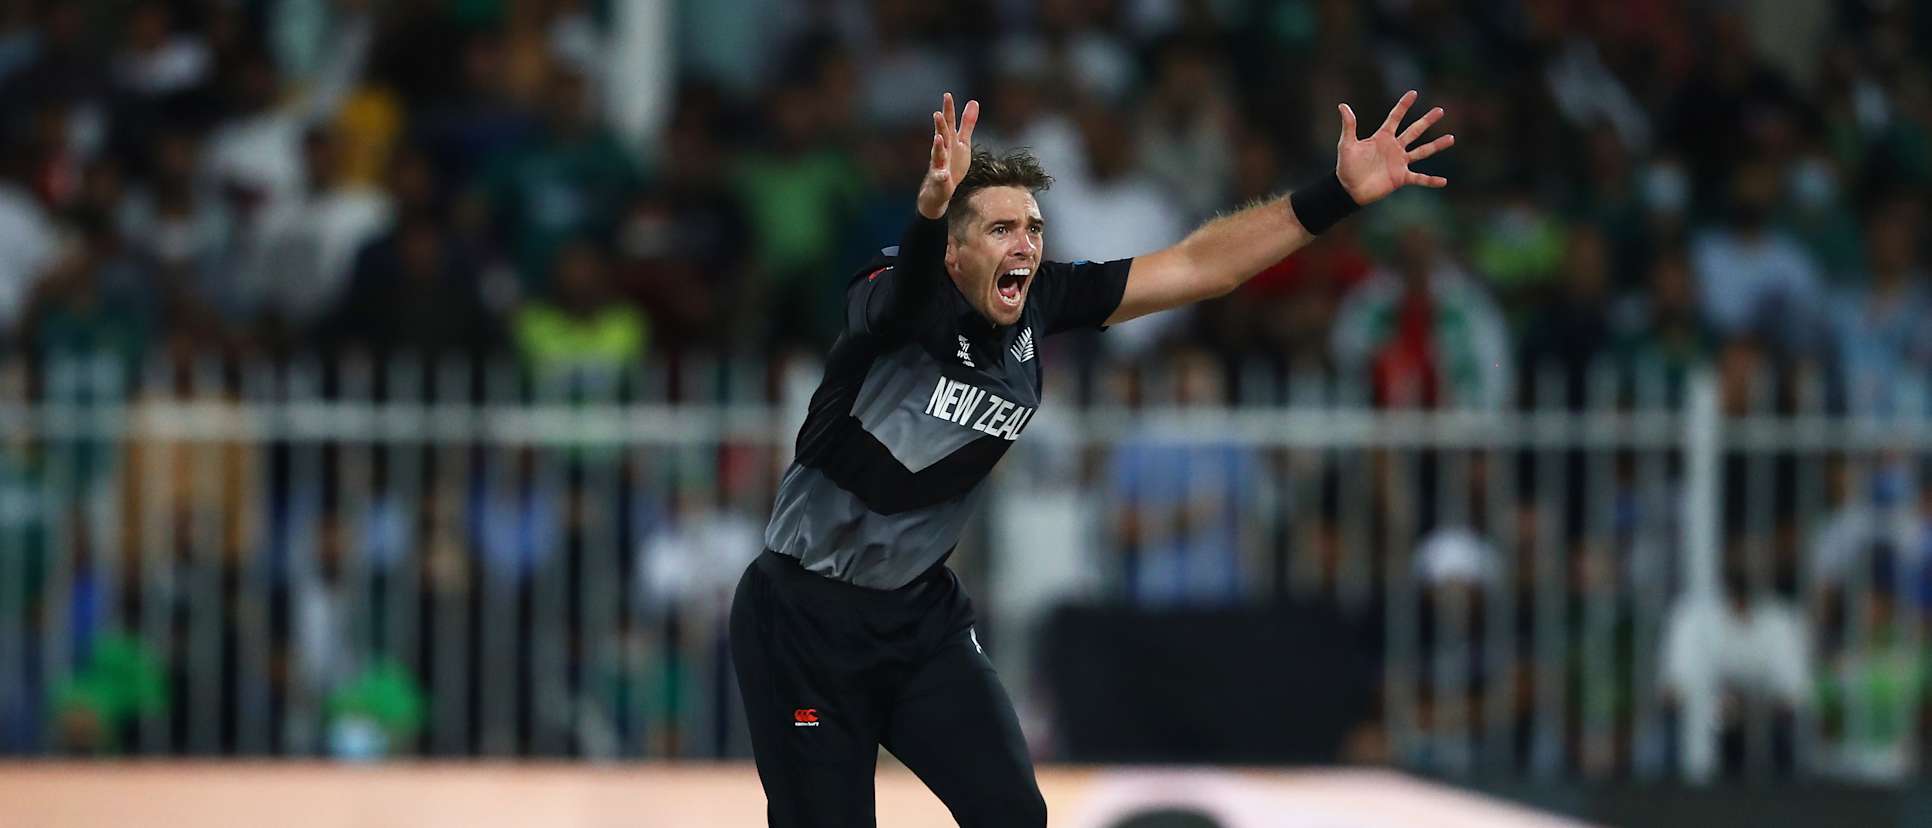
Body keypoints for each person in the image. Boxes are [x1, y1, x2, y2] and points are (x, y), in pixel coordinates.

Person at [729, 90, 1454, 826]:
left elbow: (1200, 266)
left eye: (1034, 228)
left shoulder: (1041, 301)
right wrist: (927, 212)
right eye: (1000, 228)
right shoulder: (889, 291)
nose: (1025, 244)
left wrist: (1335, 195)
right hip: (804, 615)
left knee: (1014, 814)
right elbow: (904, 297)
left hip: (917, 616)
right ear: (954, 249)